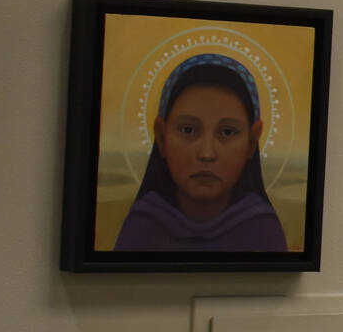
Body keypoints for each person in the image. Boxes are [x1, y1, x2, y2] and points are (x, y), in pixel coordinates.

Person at [113, 53, 288, 251]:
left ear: (251, 141)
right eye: (188, 130)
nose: (206, 153)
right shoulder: (141, 227)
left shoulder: (262, 231)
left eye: (227, 132)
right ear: (161, 137)